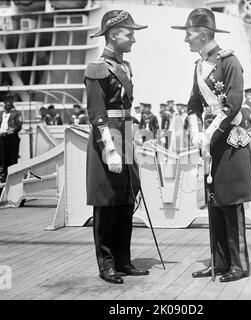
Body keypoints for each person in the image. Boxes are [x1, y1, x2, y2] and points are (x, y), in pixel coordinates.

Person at [172, 8, 251, 282]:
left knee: (230, 203)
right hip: (209, 142)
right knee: (214, 202)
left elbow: (233, 105)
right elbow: (194, 104)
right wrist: (196, 131)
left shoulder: (229, 62)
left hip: (229, 141)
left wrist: (209, 133)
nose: (186, 40)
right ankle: (219, 262)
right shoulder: (198, 66)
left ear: (203, 34)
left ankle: (239, 265)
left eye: (189, 34)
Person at [84, 9, 149, 285]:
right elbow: (97, 114)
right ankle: (107, 264)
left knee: (125, 201)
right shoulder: (97, 67)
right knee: (106, 203)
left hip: (126, 135)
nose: (133, 38)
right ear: (113, 34)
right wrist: (109, 149)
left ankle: (124, 260)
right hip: (107, 138)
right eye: (129, 32)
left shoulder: (124, 66)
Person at [0, 94, 22, 181]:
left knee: (13, 159)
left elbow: (18, 126)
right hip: (2, 139)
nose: (8, 103)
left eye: (10, 101)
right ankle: (4, 176)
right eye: (6, 101)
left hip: (12, 139)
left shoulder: (17, 113)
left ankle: (13, 177)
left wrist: (9, 131)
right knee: (3, 158)